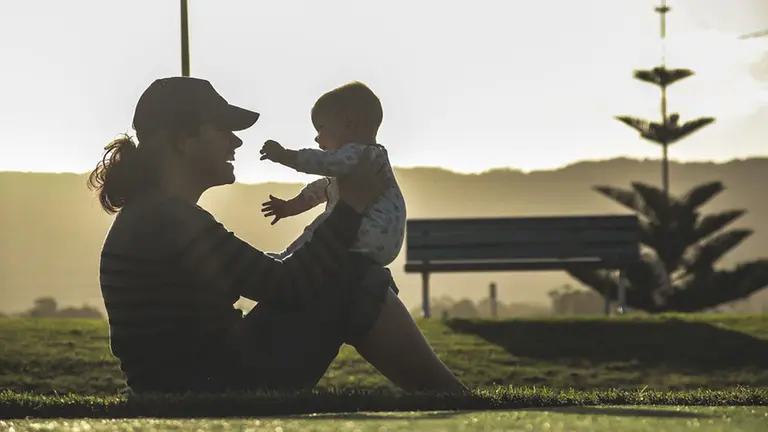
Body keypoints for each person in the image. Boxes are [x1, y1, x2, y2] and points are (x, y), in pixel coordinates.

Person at [87, 76, 466, 395]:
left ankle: (453, 399)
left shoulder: (157, 215)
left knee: (352, 275)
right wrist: (351, 206)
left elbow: (266, 275)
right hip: (212, 386)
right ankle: (456, 402)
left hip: (199, 381)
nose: (235, 143)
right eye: (223, 130)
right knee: (355, 278)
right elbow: (285, 284)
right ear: (183, 139)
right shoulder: (166, 219)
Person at [258, 82, 406, 274]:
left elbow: (322, 162)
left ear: (348, 125)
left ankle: (288, 260)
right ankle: (288, 259)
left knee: (320, 228)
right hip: (382, 244)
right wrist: (290, 207)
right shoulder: (369, 159)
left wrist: (285, 156)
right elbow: (323, 189)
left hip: (367, 233)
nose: (317, 138)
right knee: (328, 226)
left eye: (320, 128)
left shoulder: (358, 153)